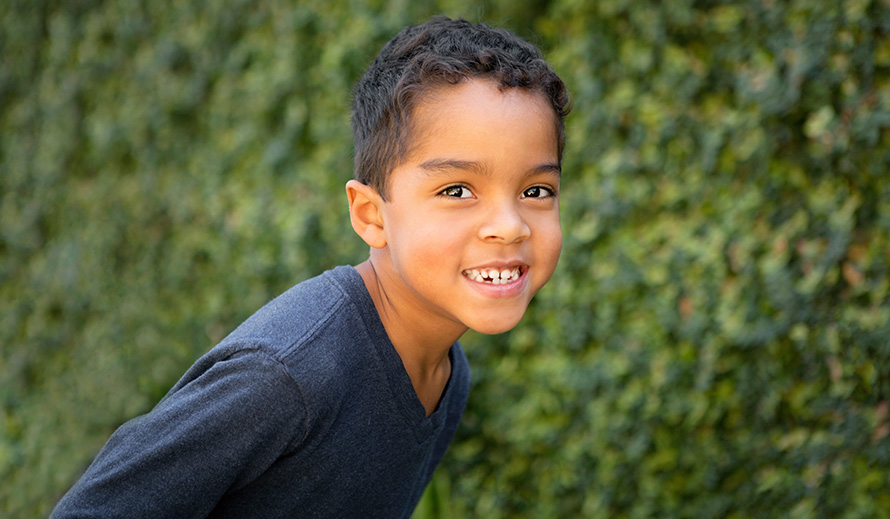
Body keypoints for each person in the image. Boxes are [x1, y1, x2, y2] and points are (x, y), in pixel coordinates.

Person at [51, 16, 571, 518]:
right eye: (457, 190)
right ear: (372, 216)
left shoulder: (447, 374)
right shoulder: (284, 377)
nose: (510, 226)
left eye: (535, 190)